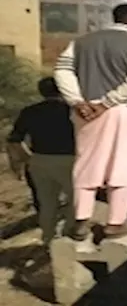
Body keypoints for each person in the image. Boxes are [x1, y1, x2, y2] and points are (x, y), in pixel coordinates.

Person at [54, 3, 127, 240]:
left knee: (86, 164)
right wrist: (108, 102)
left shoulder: (80, 42)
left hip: (86, 112)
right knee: (125, 165)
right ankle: (116, 223)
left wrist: (77, 101)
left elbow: (62, 71)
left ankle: (81, 222)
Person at [7, 77, 76, 245]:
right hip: (70, 160)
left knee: (47, 203)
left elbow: (14, 140)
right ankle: (70, 236)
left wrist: (27, 158)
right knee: (76, 200)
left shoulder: (30, 111)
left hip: (40, 160)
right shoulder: (72, 109)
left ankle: (48, 239)